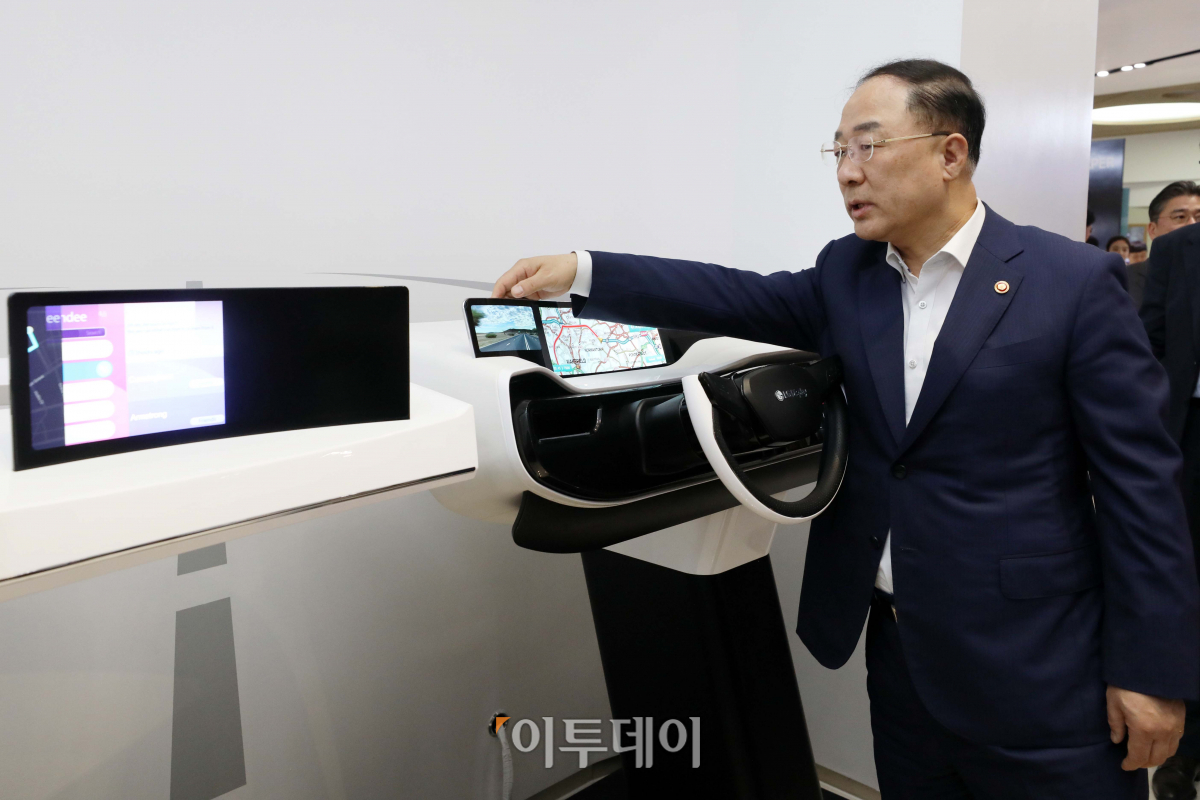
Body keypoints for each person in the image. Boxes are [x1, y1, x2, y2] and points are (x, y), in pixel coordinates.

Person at [494, 59, 1198, 798]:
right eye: (838, 151)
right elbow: (732, 295)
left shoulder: (1071, 282)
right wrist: (583, 269)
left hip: (1039, 667)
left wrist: (1151, 671)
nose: (847, 172)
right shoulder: (848, 273)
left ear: (950, 153)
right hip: (900, 660)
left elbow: (1142, 489)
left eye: (868, 146)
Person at [1141, 208, 1200, 800]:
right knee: (1190, 584)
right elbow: (1150, 348)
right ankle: (1188, 748)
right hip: (1191, 438)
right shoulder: (1179, 251)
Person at [1128, 242, 1149, 308]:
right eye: (1135, 257)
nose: (1139, 260)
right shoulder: (1125, 273)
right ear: (1128, 256)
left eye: (1143, 256)